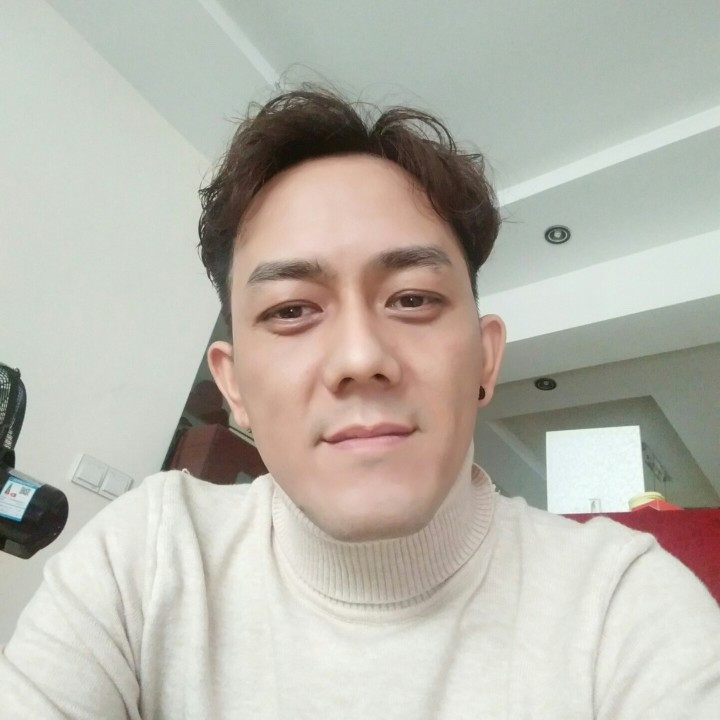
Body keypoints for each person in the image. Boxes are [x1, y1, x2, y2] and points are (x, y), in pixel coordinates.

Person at [2, 87, 719, 719]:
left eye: (412, 299)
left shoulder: (625, 607)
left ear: (484, 358)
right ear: (234, 385)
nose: (359, 358)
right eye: (291, 310)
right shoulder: (147, 556)